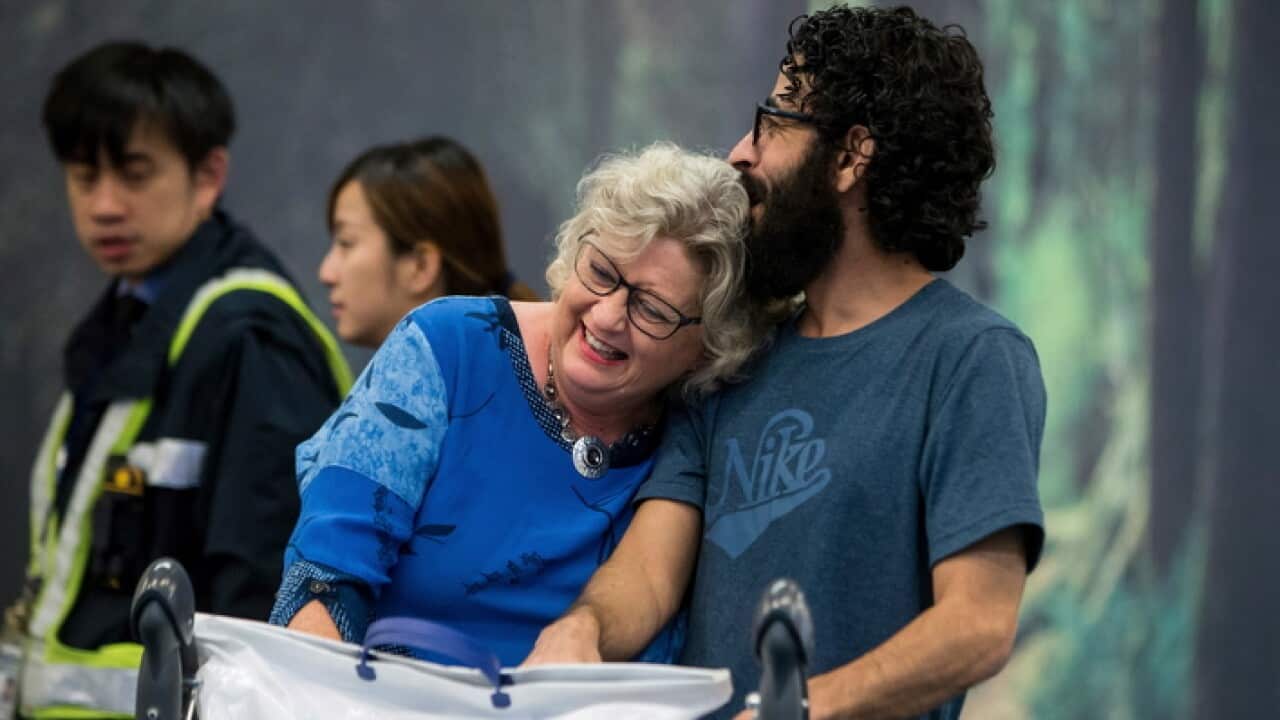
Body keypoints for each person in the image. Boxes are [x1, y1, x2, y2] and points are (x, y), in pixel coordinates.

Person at [526, 6, 1047, 720]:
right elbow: (650, 573)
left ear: (849, 156)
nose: (741, 153)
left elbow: (979, 626)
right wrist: (580, 630)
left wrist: (801, 707)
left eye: (773, 123)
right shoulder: (737, 354)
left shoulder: (970, 358)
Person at [269, 142, 771, 667]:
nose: (606, 318)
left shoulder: (696, 427)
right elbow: (324, 577)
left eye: (651, 309)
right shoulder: (447, 348)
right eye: (601, 272)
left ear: (707, 347)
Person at [13, 42, 351, 718]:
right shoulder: (121, 324)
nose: (105, 205)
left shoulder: (249, 337)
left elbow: (263, 603)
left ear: (208, 176)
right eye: (85, 176)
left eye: (134, 175)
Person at [320, 136, 539, 348]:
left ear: (420, 265)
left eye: (346, 242)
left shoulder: (470, 381)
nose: (325, 274)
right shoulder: (501, 367)